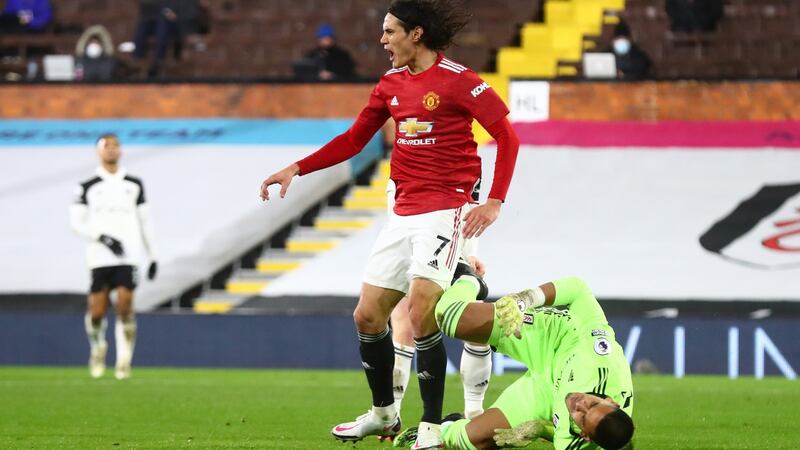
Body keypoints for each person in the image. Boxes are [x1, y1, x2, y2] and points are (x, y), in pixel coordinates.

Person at [259, 0, 520, 447]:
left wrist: (494, 201)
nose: (383, 40)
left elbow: (506, 137)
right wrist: (297, 168)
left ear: (415, 34)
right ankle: (383, 414)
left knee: (421, 314)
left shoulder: (461, 81)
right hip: (401, 212)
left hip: (445, 209)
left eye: (390, 32)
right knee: (367, 315)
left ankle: (434, 427)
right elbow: (354, 139)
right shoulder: (390, 84)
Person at [393, 275, 635, 449]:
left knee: (470, 440)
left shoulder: (573, 444)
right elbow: (578, 289)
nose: (579, 404)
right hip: (552, 338)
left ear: (585, 436)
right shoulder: (601, 357)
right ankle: (468, 278)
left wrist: (541, 429)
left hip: (545, 394)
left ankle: (446, 426)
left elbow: (564, 435)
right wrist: (525, 300)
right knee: (451, 319)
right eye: (593, 404)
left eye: (582, 416)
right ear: (611, 402)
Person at [69, 134, 158, 380]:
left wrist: (153, 256)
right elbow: (76, 223)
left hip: (129, 255)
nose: (111, 150)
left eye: (115, 145)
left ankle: (123, 361)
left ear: (121, 151)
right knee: (97, 312)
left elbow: (145, 221)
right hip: (99, 256)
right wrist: (103, 237)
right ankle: (98, 348)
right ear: (98, 151)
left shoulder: (134, 184)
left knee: (125, 306)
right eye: (106, 146)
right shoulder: (87, 185)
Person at [132, 0, 197, 77]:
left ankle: (157, 62)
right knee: (145, 25)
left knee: (162, 27)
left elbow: (187, 15)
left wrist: (171, 13)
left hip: (176, 24)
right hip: (158, 19)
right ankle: (138, 59)